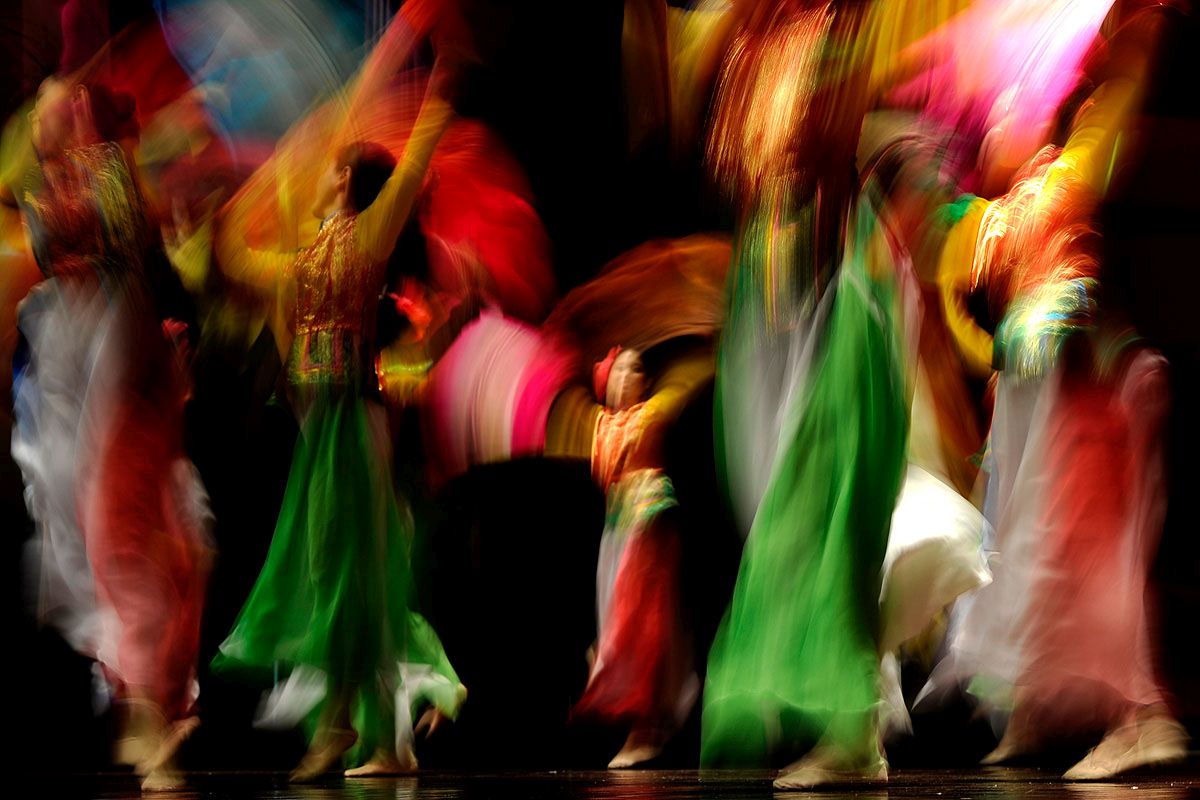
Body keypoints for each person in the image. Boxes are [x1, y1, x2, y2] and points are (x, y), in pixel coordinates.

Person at [211, 11, 468, 779]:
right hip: (321, 431)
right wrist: (243, 197)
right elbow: (236, 256)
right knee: (341, 574)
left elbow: (416, 160)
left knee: (349, 574)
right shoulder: (301, 259)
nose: (321, 170)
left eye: (330, 166)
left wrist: (442, 80)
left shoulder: (366, 239)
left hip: (356, 424)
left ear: (349, 182)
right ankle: (389, 744)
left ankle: (337, 724)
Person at [10, 76, 212, 792]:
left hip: (117, 345)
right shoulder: (44, 186)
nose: (44, 111)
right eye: (40, 105)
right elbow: (43, 252)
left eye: (53, 102)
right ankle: (140, 699)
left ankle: (152, 706)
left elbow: (128, 243)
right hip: (72, 350)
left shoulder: (103, 172)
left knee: (124, 534)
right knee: (93, 542)